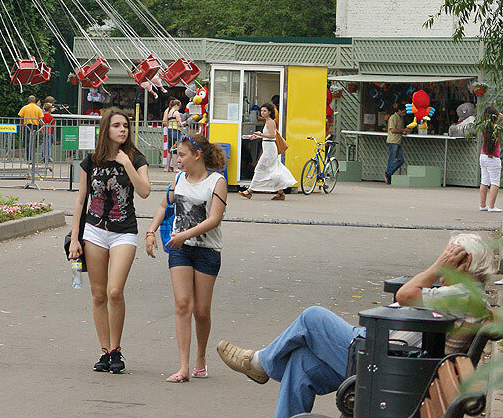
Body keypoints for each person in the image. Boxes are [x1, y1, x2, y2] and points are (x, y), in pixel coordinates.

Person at [217, 232, 493, 418]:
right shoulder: (467, 294)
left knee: (313, 318)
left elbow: (405, 295)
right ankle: (263, 364)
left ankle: (260, 363)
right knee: (300, 362)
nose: (442, 264)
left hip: (388, 365)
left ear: (464, 261)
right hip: (398, 362)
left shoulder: (465, 295)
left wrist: (435, 268)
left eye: (448, 259)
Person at [67, 108, 151, 374]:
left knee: (115, 291)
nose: (122, 130)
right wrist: (74, 238)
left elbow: (145, 191)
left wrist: (127, 163)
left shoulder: (136, 159)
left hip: (124, 230)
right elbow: (81, 199)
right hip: (94, 230)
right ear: (106, 130)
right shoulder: (91, 161)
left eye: (125, 126)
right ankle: (106, 351)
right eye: (116, 126)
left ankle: (117, 347)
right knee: (99, 295)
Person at [145, 133, 228, 382]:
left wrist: (185, 234)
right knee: (183, 305)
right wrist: (150, 232)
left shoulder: (217, 181)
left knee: (201, 311)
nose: (177, 160)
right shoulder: (179, 178)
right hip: (180, 249)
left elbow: (214, 219)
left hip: (207, 250)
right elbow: (163, 206)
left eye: (181, 155)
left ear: (197, 155)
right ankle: (183, 366)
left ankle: (200, 359)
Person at [242, 102, 296, 200]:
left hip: (269, 149)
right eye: (261, 111)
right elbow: (269, 136)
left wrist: (260, 134)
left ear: (269, 112)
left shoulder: (270, 122)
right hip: (268, 147)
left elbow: (273, 135)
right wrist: (257, 136)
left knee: (260, 168)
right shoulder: (268, 122)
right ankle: (280, 193)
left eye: (264, 111)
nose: (262, 113)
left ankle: (249, 191)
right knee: (274, 169)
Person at [478, 105, 502, 212]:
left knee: (484, 181)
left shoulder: (484, 127)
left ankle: (483, 205)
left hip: (483, 156)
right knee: (495, 182)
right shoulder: (497, 128)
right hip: (493, 158)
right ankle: (491, 206)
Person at [386, 105, 410, 184]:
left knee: (401, 160)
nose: (404, 113)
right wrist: (403, 130)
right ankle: (388, 174)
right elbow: (392, 130)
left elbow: (399, 130)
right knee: (392, 158)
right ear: (399, 110)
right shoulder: (393, 117)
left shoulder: (401, 119)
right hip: (393, 141)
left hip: (398, 141)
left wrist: (403, 131)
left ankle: (389, 173)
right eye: (403, 112)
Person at [18, 95, 43, 162]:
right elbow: (41, 119)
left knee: (28, 142)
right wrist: (42, 129)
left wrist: (22, 123)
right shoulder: (38, 108)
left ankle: (28, 158)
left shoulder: (25, 108)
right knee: (33, 142)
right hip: (35, 126)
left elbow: (21, 117)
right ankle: (32, 158)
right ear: (35, 101)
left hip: (27, 126)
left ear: (28, 101)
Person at [162, 98, 185, 172]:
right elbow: (179, 123)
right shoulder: (176, 112)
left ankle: (167, 167)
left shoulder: (169, 112)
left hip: (169, 130)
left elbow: (165, 122)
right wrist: (184, 123)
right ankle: (175, 167)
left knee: (169, 149)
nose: (179, 108)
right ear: (176, 105)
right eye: (179, 106)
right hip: (176, 130)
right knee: (175, 149)